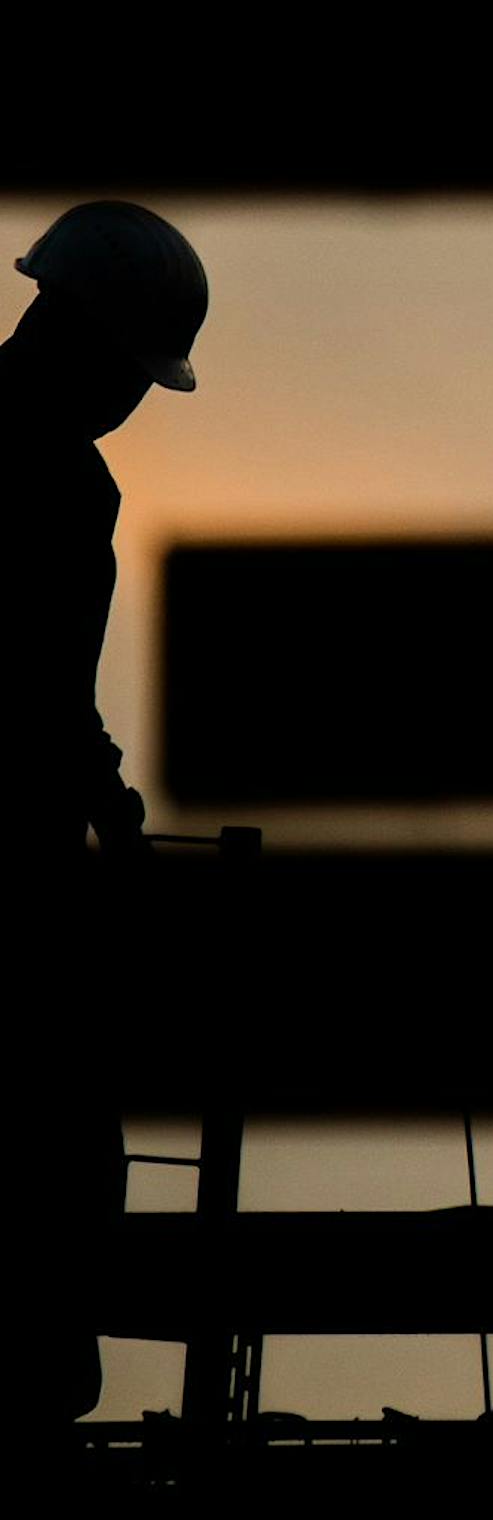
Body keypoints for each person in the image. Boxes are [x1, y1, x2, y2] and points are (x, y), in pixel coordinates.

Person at [1, 199, 208, 1422]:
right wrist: (98, 795)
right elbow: (33, 691)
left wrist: (98, 782)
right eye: (134, 376)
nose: (133, 402)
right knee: (61, 1153)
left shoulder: (77, 491)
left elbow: (48, 698)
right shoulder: (69, 496)